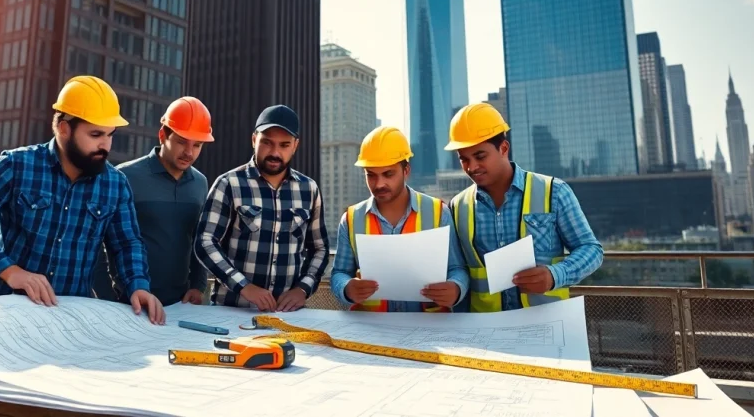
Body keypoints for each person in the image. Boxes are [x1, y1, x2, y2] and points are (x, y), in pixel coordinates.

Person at [0, 75, 164, 324]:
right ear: (64, 128)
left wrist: (137, 286)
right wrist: (9, 272)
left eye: (110, 135)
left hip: (69, 320)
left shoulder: (116, 184)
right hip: (6, 312)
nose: (105, 145)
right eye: (95, 134)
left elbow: (126, 244)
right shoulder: (17, 165)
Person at [444, 103, 604, 313]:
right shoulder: (457, 206)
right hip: (486, 327)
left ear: (503, 148)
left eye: (480, 156)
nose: (472, 167)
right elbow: (459, 268)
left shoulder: (553, 192)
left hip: (546, 322)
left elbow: (591, 250)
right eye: (464, 159)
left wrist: (555, 275)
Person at [194, 105, 329, 311]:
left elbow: (319, 248)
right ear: (254, 139)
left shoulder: (309, 189)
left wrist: (303, 289)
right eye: (267, 142)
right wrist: (244, 286)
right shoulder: (229, 184)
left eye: (284, 145)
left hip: (288, 317)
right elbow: (204, 242)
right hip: (232, 309)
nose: (275, 152)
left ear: (295, 146)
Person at [330, 126, 469, 312]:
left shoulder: (438, 213)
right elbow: (339, 273)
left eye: (388, 174)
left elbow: (457, 268)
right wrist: (347, 288)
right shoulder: (351, 219)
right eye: (371, 175)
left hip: (429, 330)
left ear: (406, 171)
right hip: (371, 331)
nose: (379, 184)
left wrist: (456, 288)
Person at [99, 97, 213, 306]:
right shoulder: (125, 177)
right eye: (181, 142)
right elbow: (99, 242)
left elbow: (199, 239)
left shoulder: (200, 183)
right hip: (128, 303)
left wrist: (198, 286)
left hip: (180, 305)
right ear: (163, 135)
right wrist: (108, 299)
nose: (189, 152)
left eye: (197, 145)